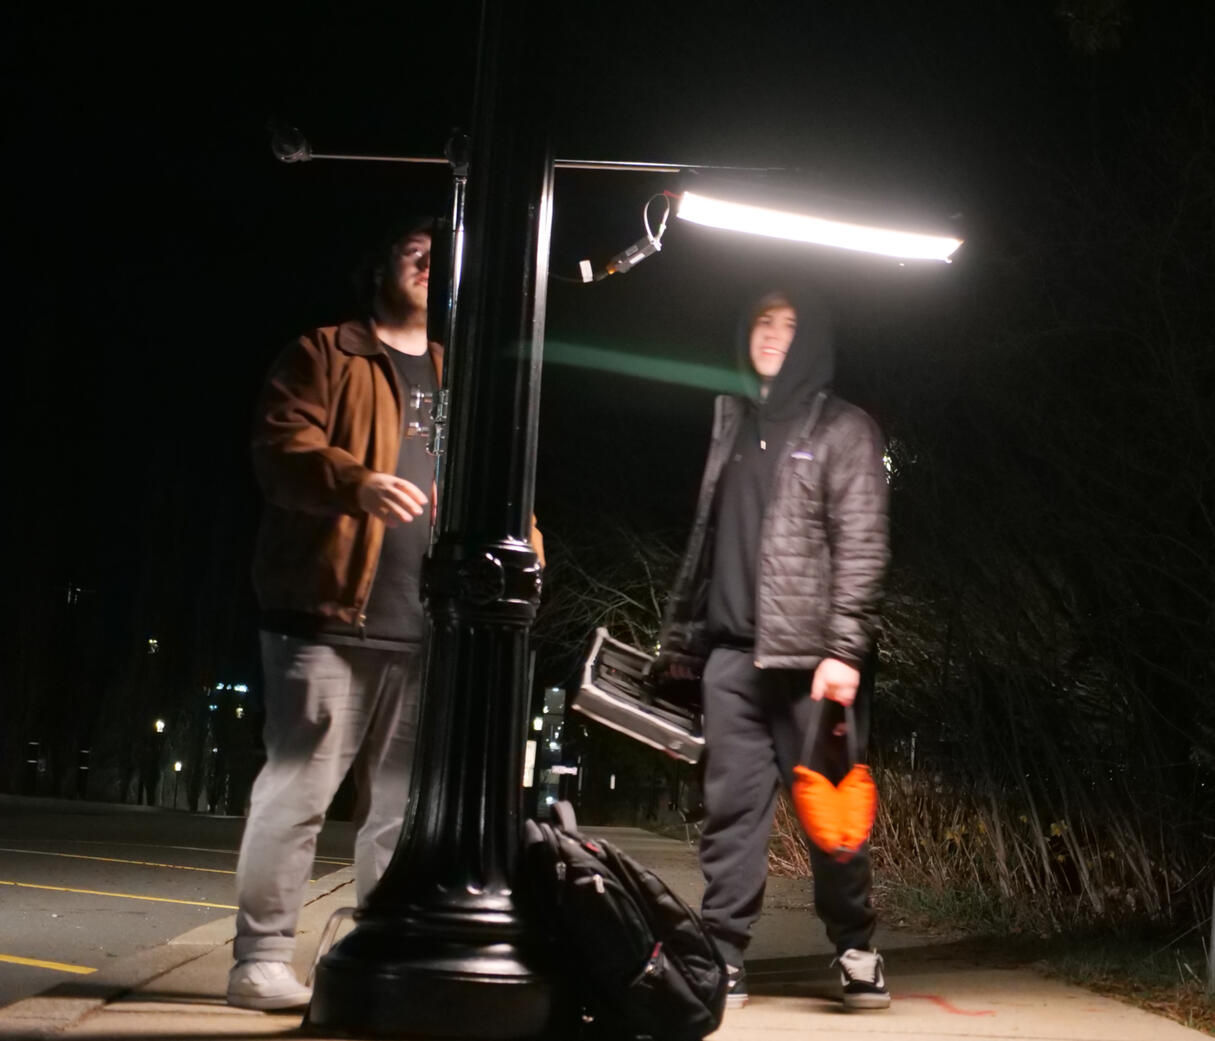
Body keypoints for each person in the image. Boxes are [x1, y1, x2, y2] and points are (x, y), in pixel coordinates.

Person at [227, 219, 441, 1010]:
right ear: (377, 264)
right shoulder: (323, 352)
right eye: (413, 248)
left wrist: (530, 543)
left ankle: (378, 953)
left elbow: (500, 484)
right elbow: (280, 449)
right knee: (296, 793)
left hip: (426, 625)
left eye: (441, 252)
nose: (430, 261)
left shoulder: (457, 372)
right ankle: (259, 960)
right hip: (323, 616)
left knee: (401, 811)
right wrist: (358, 481)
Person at [658, 289, 891, 1011]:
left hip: (814, 663)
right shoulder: (732, 420)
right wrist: (687, 641)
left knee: (831, 818)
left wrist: (845, 649)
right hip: (731, 656)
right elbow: (707, 541)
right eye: (763, 321)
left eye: (790, 325)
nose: (773, 335)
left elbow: (862, 545)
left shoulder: (845, 428)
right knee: (730, 815)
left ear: (812, 339)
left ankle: (855, 947)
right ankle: (722, 955)